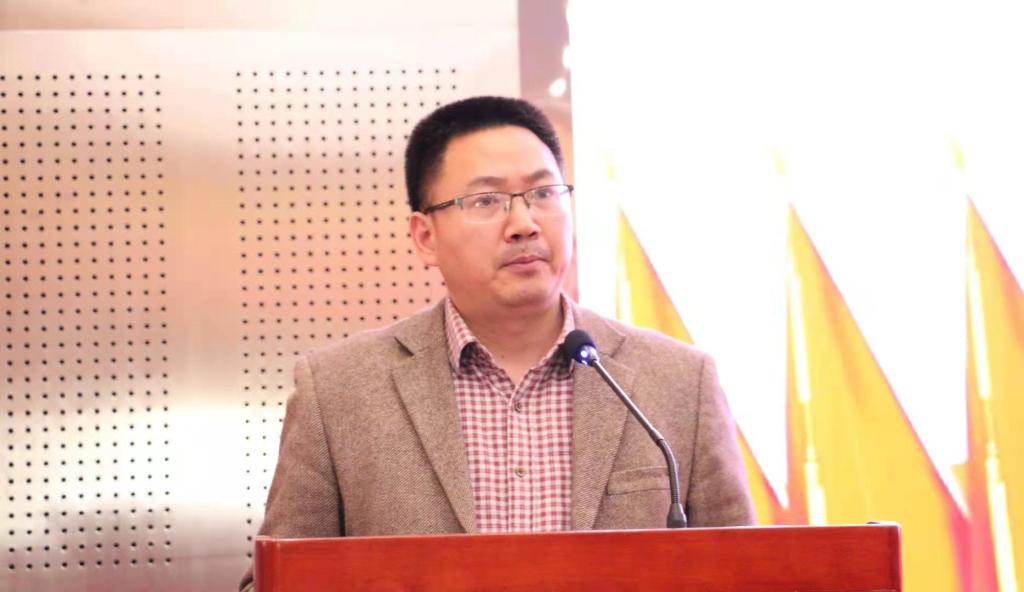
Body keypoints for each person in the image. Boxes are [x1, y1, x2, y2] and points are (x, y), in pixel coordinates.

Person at [239, 96, 753, 591]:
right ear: (425, 237)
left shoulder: (680, 382)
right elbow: (279, 581)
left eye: (543, 194)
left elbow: (753, 575)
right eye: (486, 201)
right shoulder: (339, 391)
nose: (524, 224)